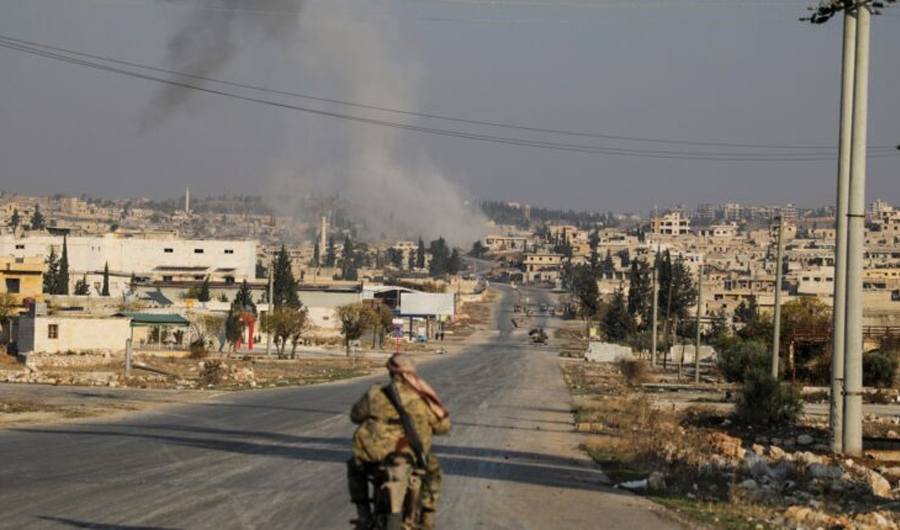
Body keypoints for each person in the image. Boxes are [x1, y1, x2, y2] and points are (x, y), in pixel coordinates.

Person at [347, 354, 451, 530]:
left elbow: (356, 415)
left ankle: (363, 514)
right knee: (433, 472)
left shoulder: (375, 393)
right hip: (412, 455)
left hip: (374, 454)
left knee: (355, 467)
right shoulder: (422, 396)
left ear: (390, 372)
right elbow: (443, 427)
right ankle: (427, 519)